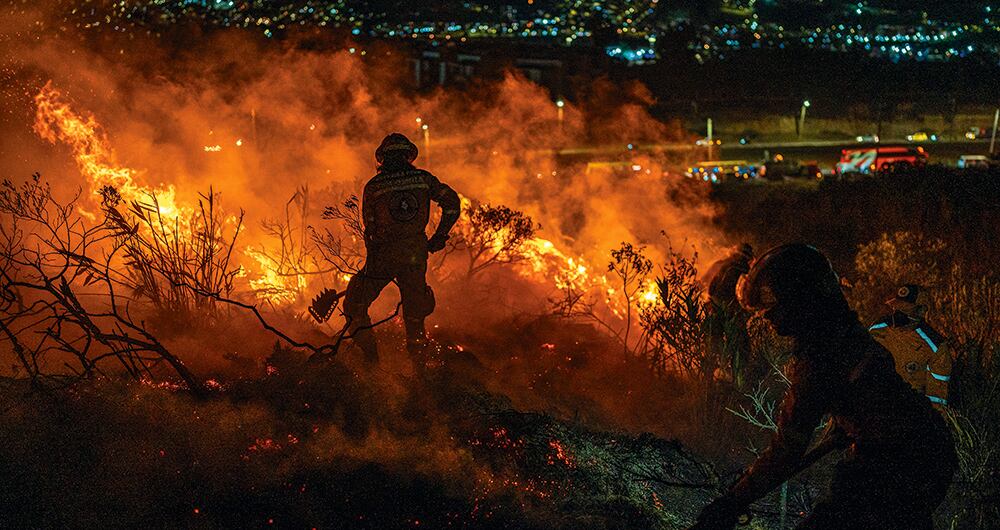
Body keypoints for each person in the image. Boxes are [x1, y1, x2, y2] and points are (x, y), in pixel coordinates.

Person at [693, 244, 955, 530]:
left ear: (798, 302)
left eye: (773, 306)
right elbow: (869, 391)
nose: (767, 317)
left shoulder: (819, 359)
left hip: (898, 465)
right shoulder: (844, 330)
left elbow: (787, 449)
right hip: (926, 450)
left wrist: (732, 502)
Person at [342, 133, 460, 363]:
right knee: (415, 315)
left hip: (383, 258)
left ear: (382, 159)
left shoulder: (375, 187)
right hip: (415, 256)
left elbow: (371, 229)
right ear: (408, 156)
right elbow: (452, 203)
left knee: (355, 303)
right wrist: (439, 236)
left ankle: (371, 360)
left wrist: (373, 266)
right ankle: (419, 369)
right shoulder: (422, 179)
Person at [869, 284, 952, 407]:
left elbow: (937, 399)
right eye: (896, 307)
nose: (897, 313)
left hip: (907, 411)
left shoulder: (935, 348)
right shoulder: (877, 329)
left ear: (921, 311)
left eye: (905, 309)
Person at [703, 244, 754, 386]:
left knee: (712, 345)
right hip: (733, 313)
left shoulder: (720, 264)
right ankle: (739, 382)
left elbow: (705, 283)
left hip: (714, 310)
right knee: (741, 347)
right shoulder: (745, 270)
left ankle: (708, 381)